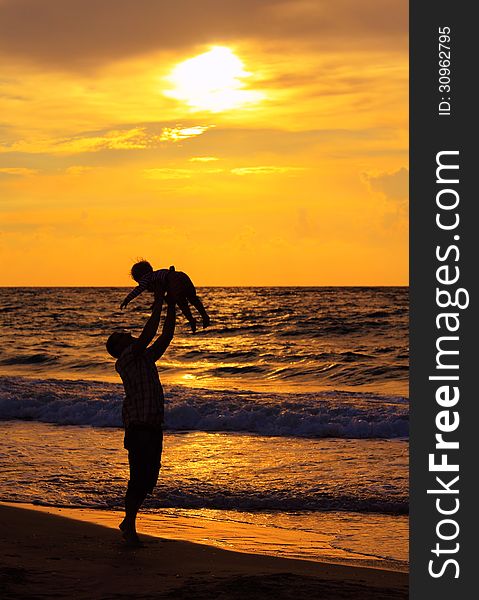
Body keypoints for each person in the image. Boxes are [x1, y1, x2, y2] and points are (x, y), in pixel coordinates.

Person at [106, 297, 176, 546]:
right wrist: (158, 301)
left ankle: (128, 521)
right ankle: (130, 526)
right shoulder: (124, 360)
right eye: (124, 336)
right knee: (138, 478)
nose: (130, 336)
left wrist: (172, 305)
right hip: (138, 427)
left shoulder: (144, 358)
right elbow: (149, 332)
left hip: (153, 426)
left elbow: (165, 335)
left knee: (149, 479)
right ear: (119, 347)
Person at [120, 260, 210, 334]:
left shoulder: (145, 279)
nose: (146, 288)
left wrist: (127, 300)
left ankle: (191, 320)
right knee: (192, 298)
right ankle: (204, 316)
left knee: (181, 302)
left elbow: (138, 290)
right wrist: (156, 302)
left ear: (139, 277)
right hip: (182, 276)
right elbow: (160, 294)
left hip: (173, 280)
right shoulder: (155, 275)